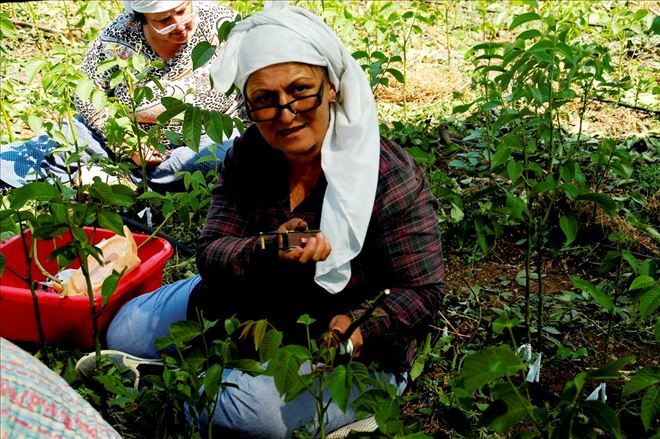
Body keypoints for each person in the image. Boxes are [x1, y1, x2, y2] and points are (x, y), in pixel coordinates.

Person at [105, 4, 444, 437]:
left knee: (260, 417)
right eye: (264, 101)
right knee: (124, 330)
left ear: (332, 87)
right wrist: (267, 248)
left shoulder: (386, 174)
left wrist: (356, 329)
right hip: (252, 303)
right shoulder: (250, 155)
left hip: (342, 341)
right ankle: (206, 376)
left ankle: (169, 384)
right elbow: (211, 252)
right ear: (248, 107)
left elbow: (423, 289)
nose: (286, 113)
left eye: (301, 90)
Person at [0, 0, 242, 193]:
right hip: (124, 138)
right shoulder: (116, 38)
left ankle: (113, 177)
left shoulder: (221, 23)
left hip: (206, 136)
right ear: (142, 19)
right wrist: (127, 143)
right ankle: (123, 175)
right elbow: (88, 95)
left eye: (182, 11)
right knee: (48, 147)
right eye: (164, 20)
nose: (178, 25)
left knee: (225, 158)